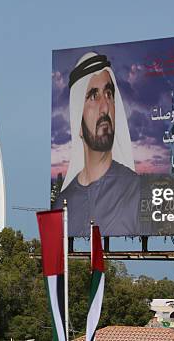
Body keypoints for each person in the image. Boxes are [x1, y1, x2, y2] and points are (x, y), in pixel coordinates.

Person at [53, 52, 141, 237]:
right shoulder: (62, 206)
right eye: (93, 96)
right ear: (77, 118)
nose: (105, 107)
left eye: (108, 94)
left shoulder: (135, 190)